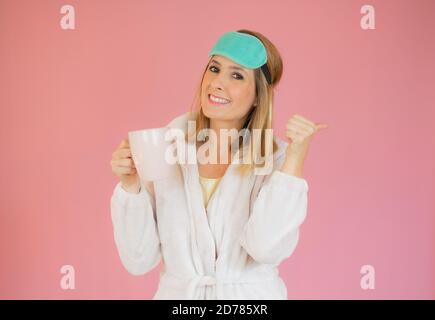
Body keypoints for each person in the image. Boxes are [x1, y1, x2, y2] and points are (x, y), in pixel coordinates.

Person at [109, 30, 328, 299]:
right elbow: (138, 259)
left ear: (260, 94)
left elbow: (265, 248)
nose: (217, 83)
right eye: (214, 69)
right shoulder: (168, 146)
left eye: (236, 75)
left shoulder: (275, 161)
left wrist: (295, 158)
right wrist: (131, 187)